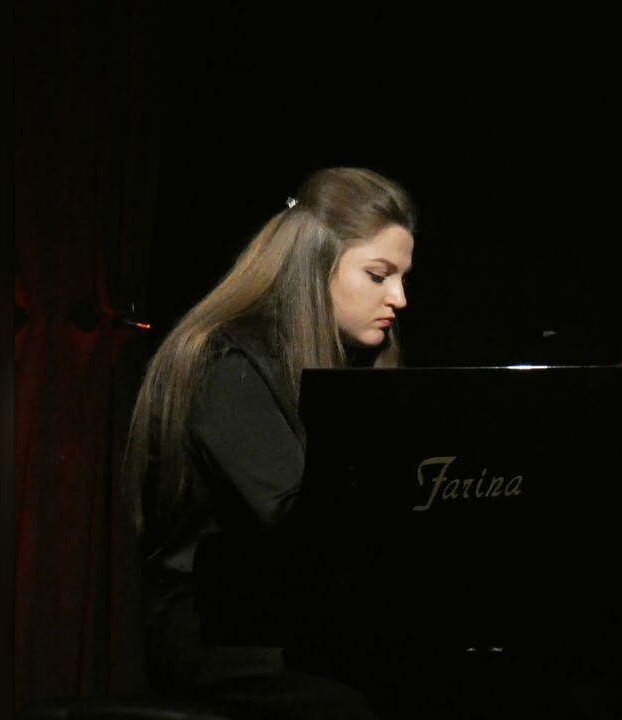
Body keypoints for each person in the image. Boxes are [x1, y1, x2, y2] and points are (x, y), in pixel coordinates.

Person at [122, 167, 416, 719]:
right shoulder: (225, 360)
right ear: (315, 264)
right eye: (379, 275)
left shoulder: (345, 360)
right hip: (214, 627)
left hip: (296, 611)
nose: (398, 297)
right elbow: (299, 520)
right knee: (353, 706)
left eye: (402, 277)